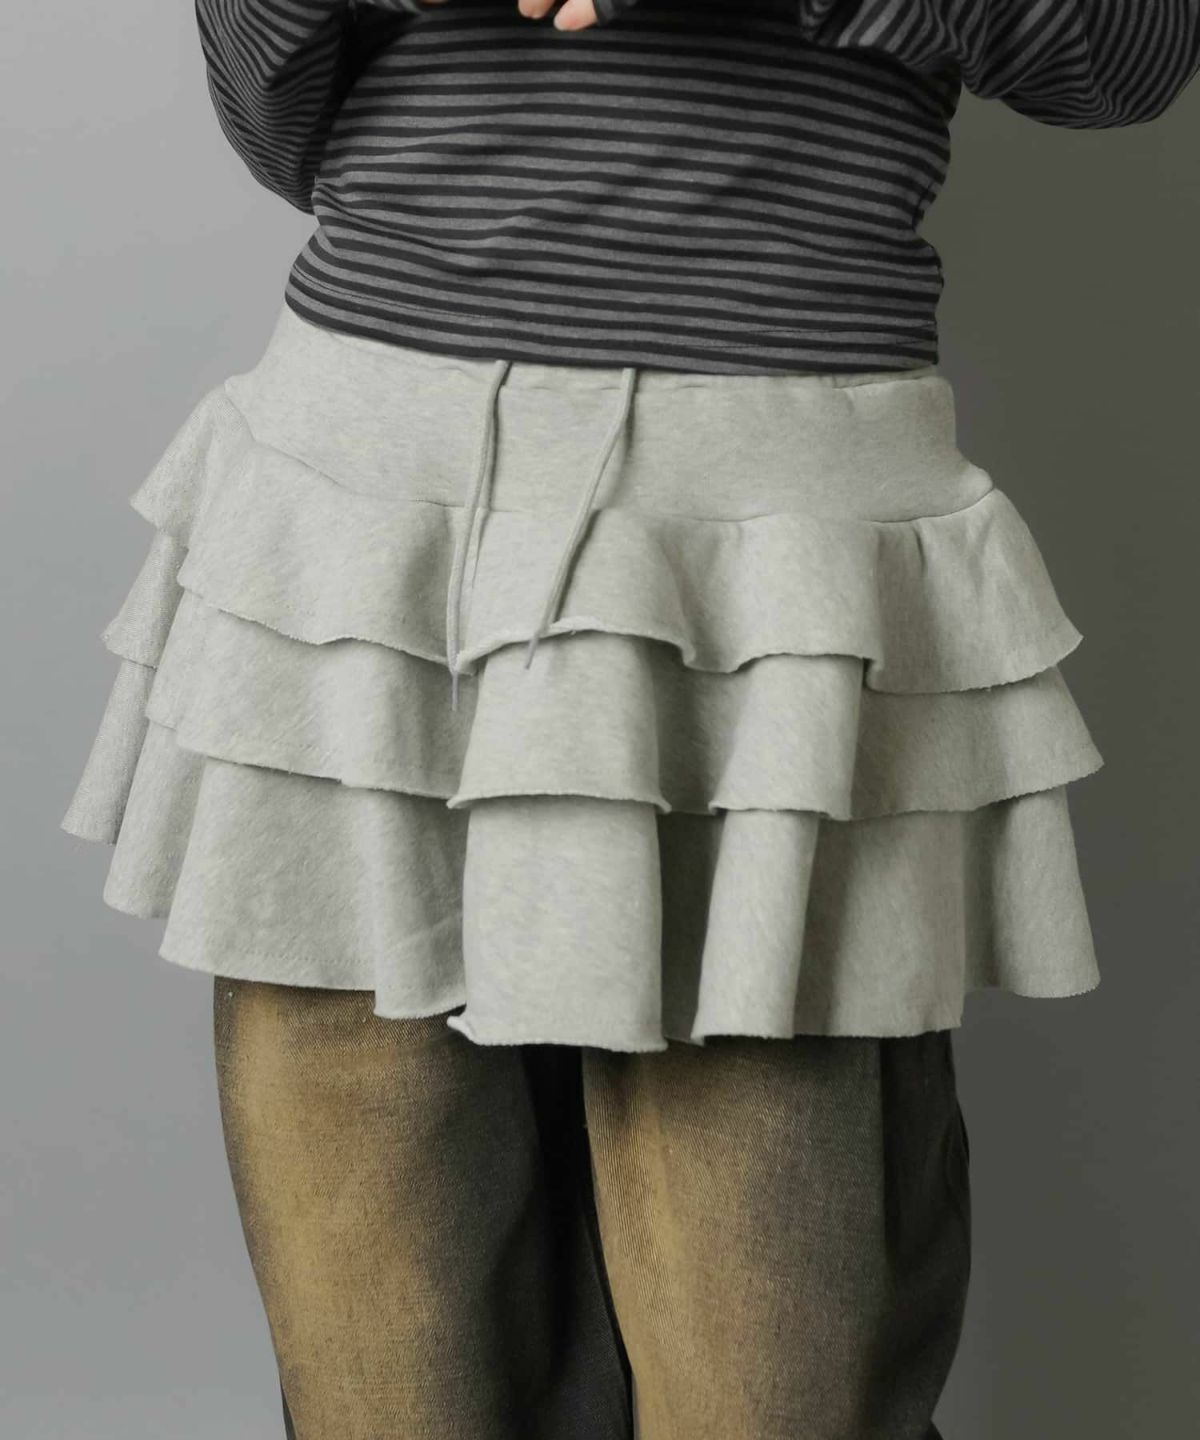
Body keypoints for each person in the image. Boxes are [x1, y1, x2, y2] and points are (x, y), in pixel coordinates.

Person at [60, 2, 1199, 1437]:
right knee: (381, 1360)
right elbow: (272, 111)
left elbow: (1126, 53)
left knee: (774, 1360)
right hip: (364, 511)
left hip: (773, 540)